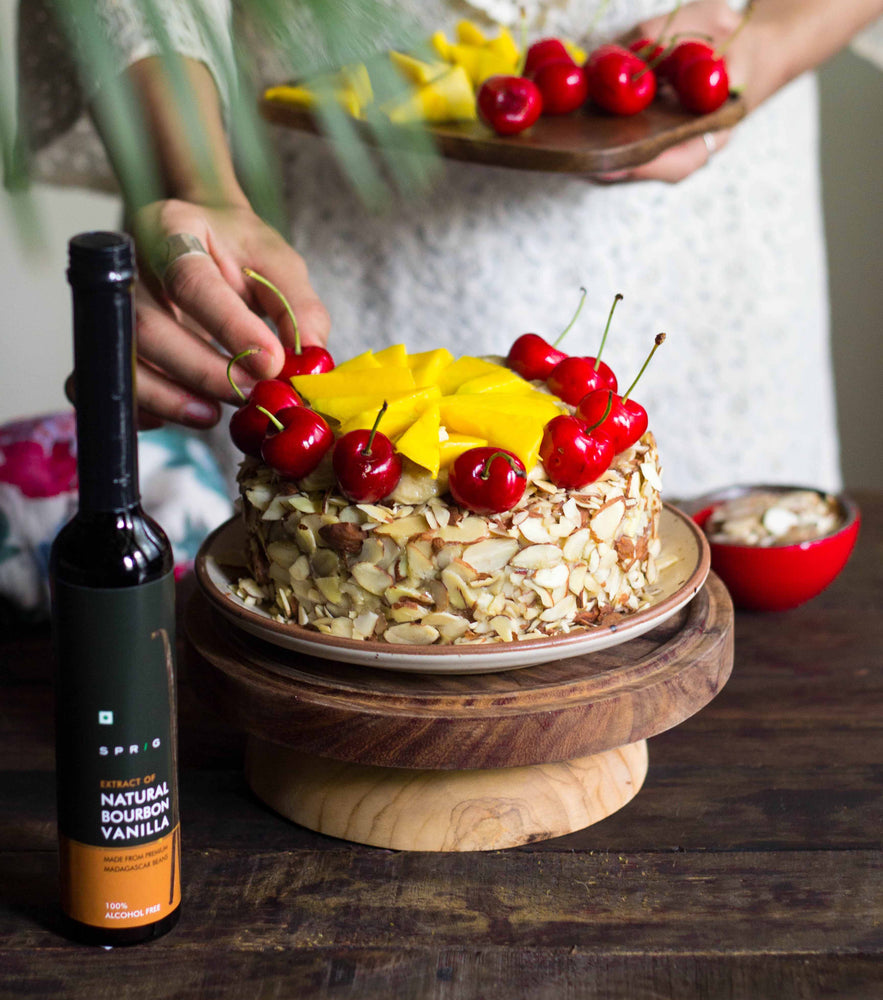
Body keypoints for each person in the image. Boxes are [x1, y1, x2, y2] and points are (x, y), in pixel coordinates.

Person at [17, 0, 883, 497]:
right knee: (320, 603)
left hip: (708, 250)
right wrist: (191, 179)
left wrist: (764, 44)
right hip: (307, 256)